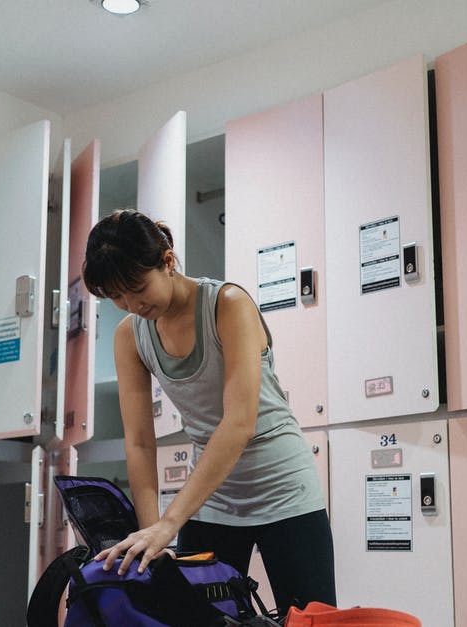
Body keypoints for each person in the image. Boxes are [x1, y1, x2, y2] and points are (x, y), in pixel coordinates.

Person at [82, 209, 336, 612]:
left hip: (284, 488)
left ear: (167, 262)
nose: (131, 304)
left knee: (310, 620)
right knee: (193, 618)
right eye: (116, 297)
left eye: (136, 287)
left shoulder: (227, 305)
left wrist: (170, 523)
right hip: (212, 498)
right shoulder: (130, 335)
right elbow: (140, 441)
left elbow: (239, 424)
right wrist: (153, 533)